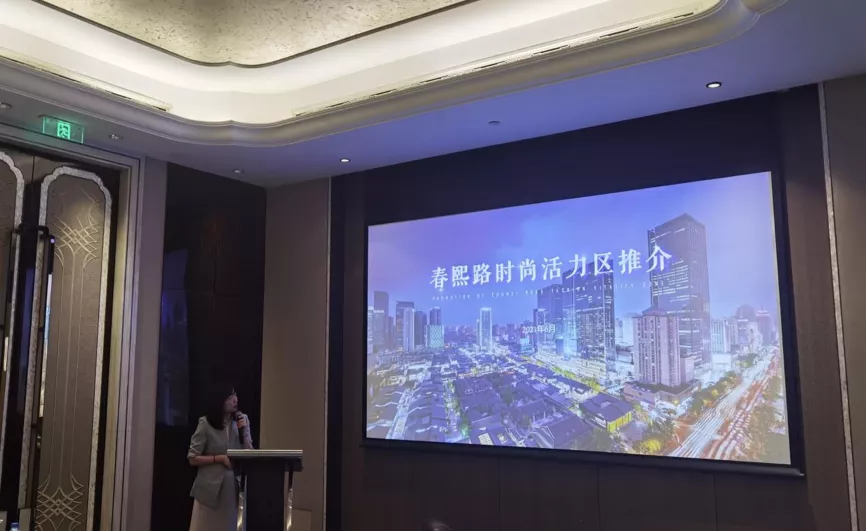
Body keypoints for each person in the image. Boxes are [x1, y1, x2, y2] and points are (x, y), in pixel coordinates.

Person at [187, 384, 254, 531]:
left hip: (234, 489)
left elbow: (250, 454)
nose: (235, 400)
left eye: (235, 395)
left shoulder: (242, 420)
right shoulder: (206, 423)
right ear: (220, 400)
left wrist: (244, 434)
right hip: (210, 490)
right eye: (230, 397)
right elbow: (193, 457)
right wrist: (220, 458)